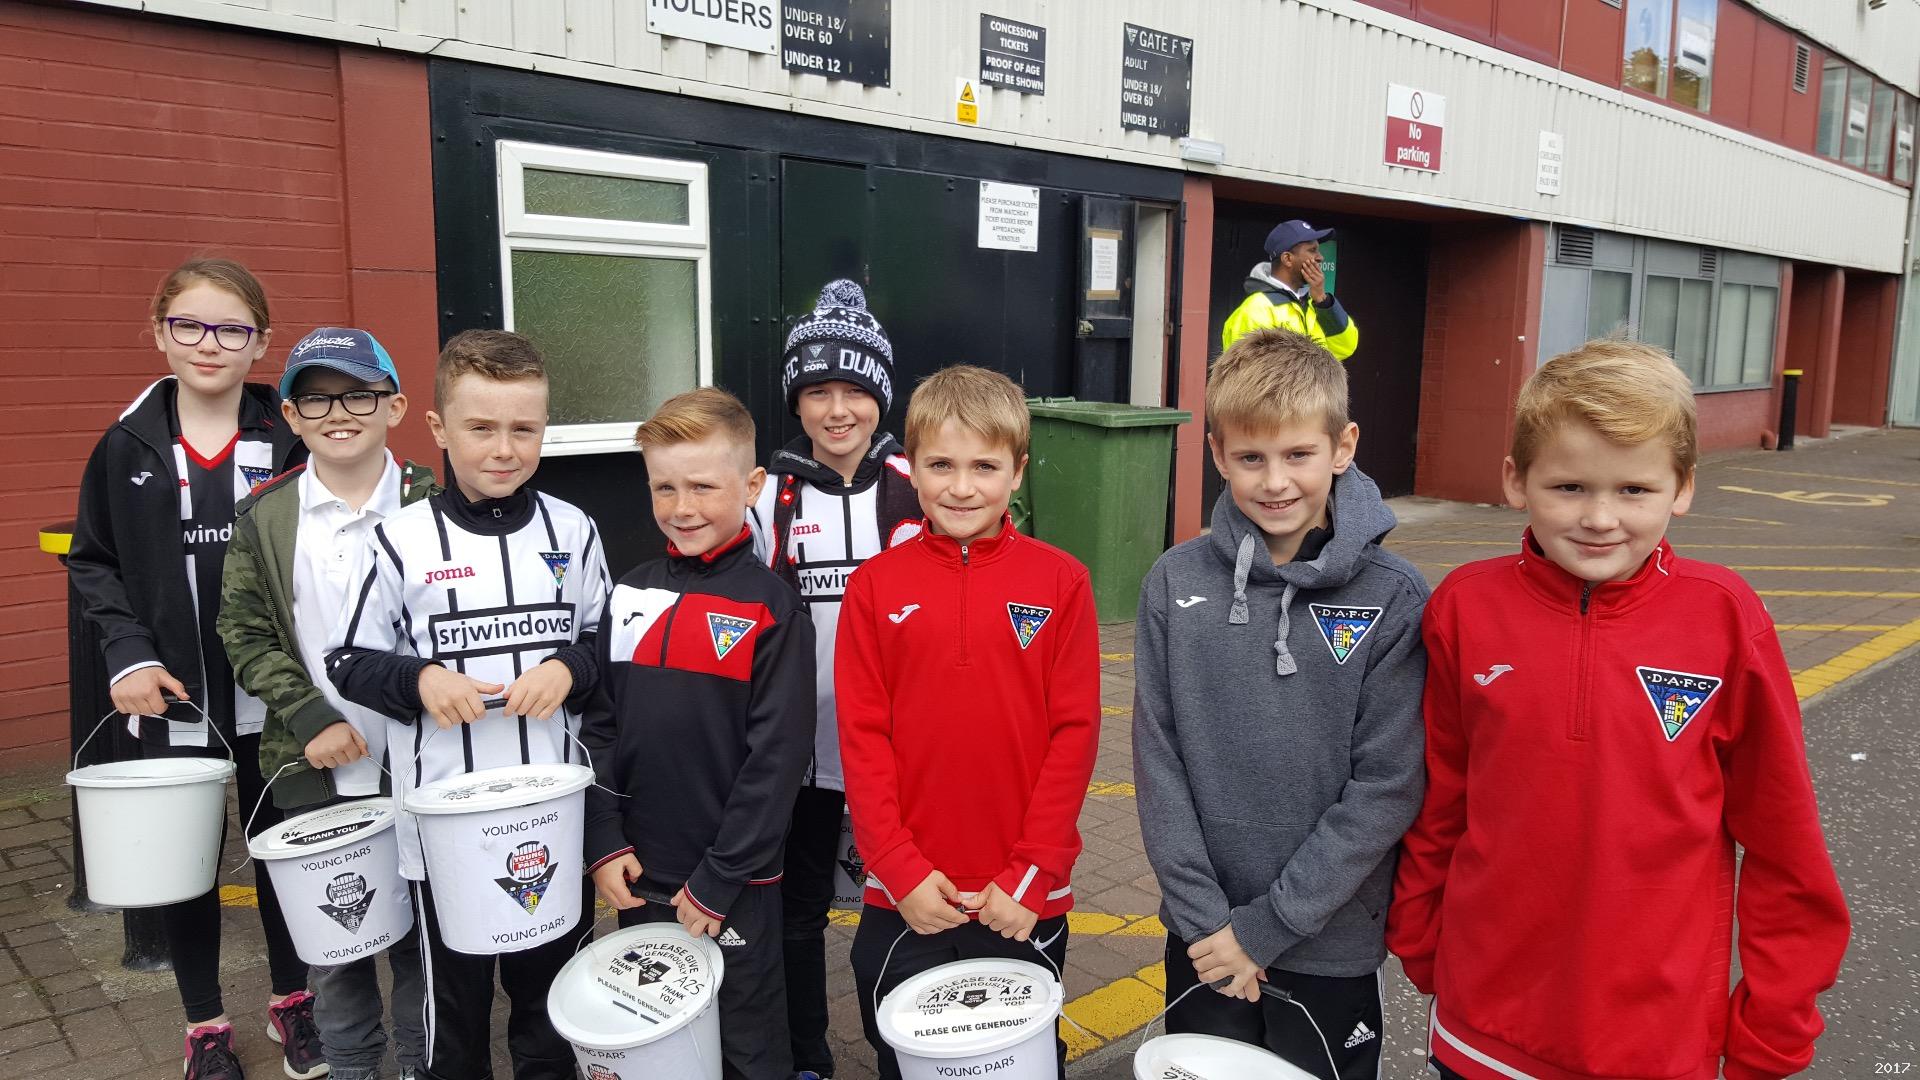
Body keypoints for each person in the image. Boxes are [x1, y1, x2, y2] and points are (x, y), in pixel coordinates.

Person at [1387, 340, 1851, 1080]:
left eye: (1634, 490)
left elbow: (1782, 840)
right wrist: (1418, 935)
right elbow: (1439, 797)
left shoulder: (1725, 619)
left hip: (1655, 1041)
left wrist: (1776, 1020)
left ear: (1683, 487)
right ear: (1515, 479)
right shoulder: (1463, 609)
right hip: (1481, 1027)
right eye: (1569, 487)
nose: (1600, 518)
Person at [1132, 328, 1426, 1076]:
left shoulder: (1392, 598)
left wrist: (1266, 929)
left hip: (1328, 942)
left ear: (1343, 444)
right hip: (1202, 937)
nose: (1274, 481)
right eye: (1250, 457)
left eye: (1298, 454)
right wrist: (1209, 925)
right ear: (1218, 453)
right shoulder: (1174, 583)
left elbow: (1387, 785)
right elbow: (1159, 762)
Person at [324, 329, 611, 1080]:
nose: (504, 448)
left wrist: (569, 667)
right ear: (438, 429)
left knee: (550, 1008)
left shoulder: (573, 532)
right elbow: (347, 661)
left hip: (553, 820)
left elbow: (607, 642)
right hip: (442, 830)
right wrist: (420, 680)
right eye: (481, 427)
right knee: (453, 1016)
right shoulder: (396, 540)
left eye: (524, 428)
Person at [68, 256, 315, 1080]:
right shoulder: (126, 442)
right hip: (170, 694)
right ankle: (205, 1024)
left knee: (286, 849)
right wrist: (127, 655)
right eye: (190, 325)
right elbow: (94, 561)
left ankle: (294, 1004)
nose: (210, 343)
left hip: (275, 693)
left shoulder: (290, 436)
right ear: (160, 334)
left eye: (232, 329)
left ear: (261, 343)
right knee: (182, 866)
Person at [836, 365, 1101, 1080]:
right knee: (907, 1055)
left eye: (984, 466)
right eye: (940, 465)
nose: (961, 487)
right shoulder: (873, 588)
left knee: (1017, 1057)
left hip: (1021, 896)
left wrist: (1031, 873)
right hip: (907, 895)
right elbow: (862, 738)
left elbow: (1074, 735)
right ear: (911, 470)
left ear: (1017, 472)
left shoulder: (1062, 582)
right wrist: (897, 870)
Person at [218, 327, 440, 1080]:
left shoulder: (433, 502)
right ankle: (351, 1066)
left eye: (358, 393)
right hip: (313, 768)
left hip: (421, 765)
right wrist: (310, 717)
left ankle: (420, 1063)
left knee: (418, 941)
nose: (337, 412)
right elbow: (242, 631)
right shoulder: (267, 517)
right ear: (288, 413)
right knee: (338, 946)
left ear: (395, 405)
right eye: (315, 397)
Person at [583, 386, 817, 1080]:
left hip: (733, 880)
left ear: (750, 486)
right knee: (654, 1030)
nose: (681, 508)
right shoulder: (629, 594)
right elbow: (598, 727)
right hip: (639, 870)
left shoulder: (773, 606)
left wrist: (719, 878)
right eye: (664, 487)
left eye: (703, 487)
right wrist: (603, 841)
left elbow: (776, 760)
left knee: (746, 1040)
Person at [747, 279, 920, 1080]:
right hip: (804, 758)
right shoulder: (768, 500)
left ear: (882, 394)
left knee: (912, 912)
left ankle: (909, 1052)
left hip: (905, 756)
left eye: (855, 387)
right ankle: (808, 1055)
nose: (837, 408)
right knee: (799, 915)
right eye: (818, 389)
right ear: (797, 399)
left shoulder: (923, 486)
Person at [1221, 219, 1358, 360]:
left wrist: (1323, 302)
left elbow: (1346, 348)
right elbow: (1251, 375)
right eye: (1312, 250)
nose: (1320, 257)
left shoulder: (1315, 304)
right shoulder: (1257, 309)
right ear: (1287, 259)